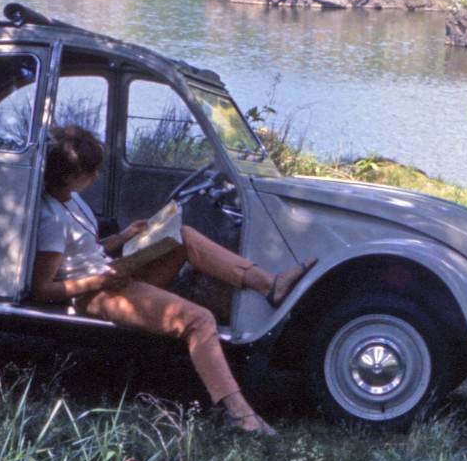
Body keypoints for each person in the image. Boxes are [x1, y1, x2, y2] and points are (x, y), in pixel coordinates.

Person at [31, 125, 314, 436]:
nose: (97, 177)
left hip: (109, 275)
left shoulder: (71, 200)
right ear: (69, 176)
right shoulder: (50, 220)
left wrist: (123, 238)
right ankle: (240, 414)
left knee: (183, 237)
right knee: (198, 319)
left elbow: (86, 248)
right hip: (94, 293)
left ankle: (268, 284)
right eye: (91, 171)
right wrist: (99, 282)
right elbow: (42, 289)